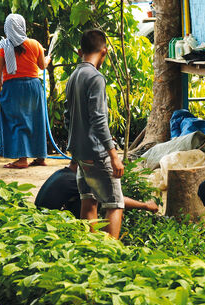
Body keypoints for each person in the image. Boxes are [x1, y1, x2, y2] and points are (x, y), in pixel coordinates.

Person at [64, 29, 124, 238]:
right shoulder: (95, 78)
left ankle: (89, 250)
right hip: (96, 153)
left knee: (89, 200)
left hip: (80, 153)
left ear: (80, 52)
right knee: (115, 204)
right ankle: (110, 256)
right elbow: (99, 120)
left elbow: (67, 116)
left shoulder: (73, 76)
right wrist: (114, 155)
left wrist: (74, 151)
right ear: (104, 52)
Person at [0, 14, 51, 169]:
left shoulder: (3, 48)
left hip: (13, 88)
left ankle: (22, 159)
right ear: (22, 26)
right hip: (34, 86)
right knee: (36, 120)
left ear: (7, 28)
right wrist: (48, 59)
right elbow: (42, 66)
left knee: (17, 122)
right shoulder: (35, 44)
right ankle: (40, 157)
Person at [35, 160, 158, 218]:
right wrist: (145, 206)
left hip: (40, 217)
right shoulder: (73, 180)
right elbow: (114, 199)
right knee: (92, 199)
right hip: (47, 222)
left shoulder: (62, 174)